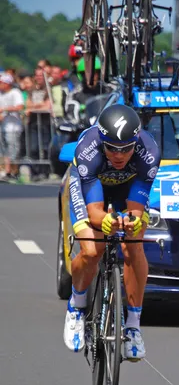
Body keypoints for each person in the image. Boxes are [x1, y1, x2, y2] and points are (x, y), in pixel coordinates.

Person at [63, 104, 161, 359]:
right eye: (112, 148)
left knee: (134, 243)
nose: (119, 155)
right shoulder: (88, 148)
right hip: (90, 188)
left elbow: (136, 209)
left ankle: (133, 326)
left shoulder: (149, 153)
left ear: (136, 142)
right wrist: (105, 221)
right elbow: (94, 210)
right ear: (102, 141)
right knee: (92, 248)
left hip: (126, 189)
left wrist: (133, 221)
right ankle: (77, 304)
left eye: (126, 149)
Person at [0, 73, 25, 181]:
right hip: (3, 126)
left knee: (13, 149)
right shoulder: (1, 94)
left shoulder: (15, 92)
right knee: (4, 150)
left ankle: (14, 171)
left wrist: (5, 110)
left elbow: (20, 106)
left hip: (13, 127)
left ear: (7, 83)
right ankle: (6, 171)